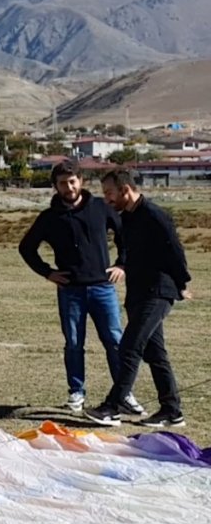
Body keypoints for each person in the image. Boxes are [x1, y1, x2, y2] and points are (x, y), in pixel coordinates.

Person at [18, 161, 136, 414]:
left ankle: (123, 394)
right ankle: (76, 392)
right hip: (70, 291)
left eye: (72, 181)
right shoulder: (49, 218)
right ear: (55, 187)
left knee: (115, 341)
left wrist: (122, 265)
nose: (69, 187)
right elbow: (26, 248)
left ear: (81, 181)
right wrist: (47, 272)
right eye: (63, 183)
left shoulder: (101, 208)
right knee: (73, 343)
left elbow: (124, 235)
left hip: (103, 288)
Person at [85, 170, 192, 428]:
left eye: (110, 193)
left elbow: (174, 251)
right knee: (155, 353)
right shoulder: (128, 218)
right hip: (139, 293)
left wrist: (182, 283)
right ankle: (171, 410)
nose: (107, 199)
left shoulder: (155, 216)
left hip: (158, 292)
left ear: (125, 190)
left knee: (130, 346)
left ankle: (114, 405)